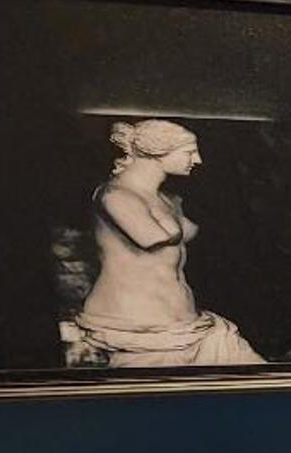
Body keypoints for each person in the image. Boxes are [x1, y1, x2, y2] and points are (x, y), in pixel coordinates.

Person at [65, 118, 263, 368]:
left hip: (186, 323)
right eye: (189, 152)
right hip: (134, 325)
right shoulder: (115, 195)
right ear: (158, 152)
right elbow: (150, 237)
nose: (198, 160)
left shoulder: (169, 200)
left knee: (253, 371)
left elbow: (201, 231)